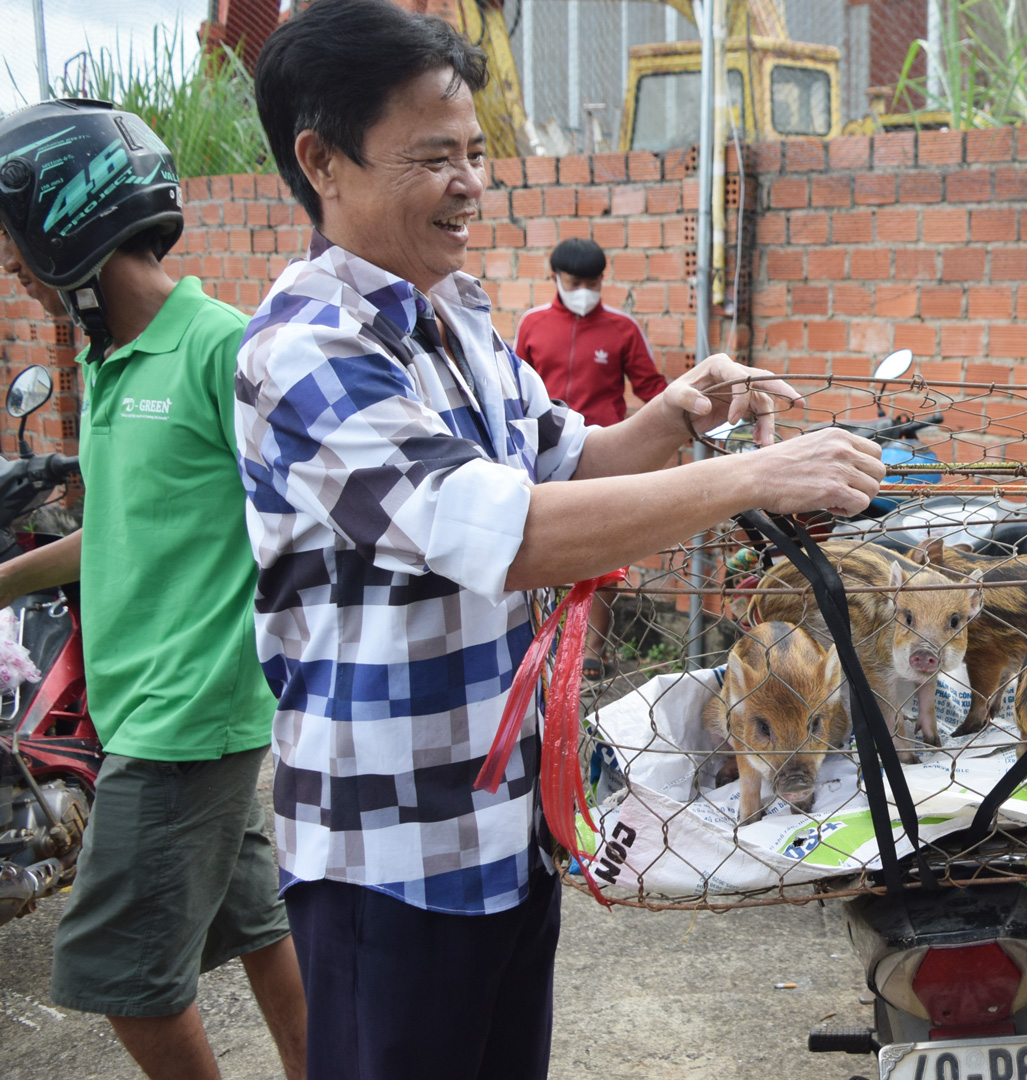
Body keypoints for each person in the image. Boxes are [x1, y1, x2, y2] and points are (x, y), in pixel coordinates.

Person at [242, 3, 881, 1078]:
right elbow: (501, 532)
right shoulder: (305, 351)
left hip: (505, 832)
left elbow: (570, 460)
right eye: (433, 156)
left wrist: (679, 415)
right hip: (389, 855)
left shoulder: (459, 318)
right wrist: (750, 475)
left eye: (477, 153)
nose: (471, 182)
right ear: (323, 161)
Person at [0, 101, 307, 1080]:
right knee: (259, 926)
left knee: (111, 968)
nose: (11, 268)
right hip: (157, 711)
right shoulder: (106, 362)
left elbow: (315, 504)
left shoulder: (220, 347)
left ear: (65, 222)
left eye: (13, 244)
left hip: (186, 717)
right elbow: (118, 530)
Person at [514, 236, 667, 679]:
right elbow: (514, 392)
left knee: (602, 554)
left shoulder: (621, 329)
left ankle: (592, 650)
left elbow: (651, 388)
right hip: (543, 459)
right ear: (556, 279)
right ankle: (541, 643)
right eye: (575, 281)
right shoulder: (533, 324)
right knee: (537, 549)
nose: (585, 290)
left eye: (594, 282)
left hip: (601, 458)